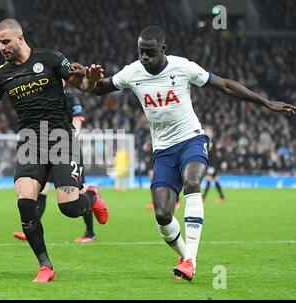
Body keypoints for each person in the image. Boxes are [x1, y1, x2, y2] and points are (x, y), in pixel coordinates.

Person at [85, 25, 295, 281]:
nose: (144, 58)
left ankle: (191, 260)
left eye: (149, 53)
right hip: (163, 150)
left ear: (163, 49)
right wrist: (92, 78)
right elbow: (98, 89)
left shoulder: (182, 67)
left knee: (192, 182)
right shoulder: (132, 72)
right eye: (140, 52)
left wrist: (265, 102)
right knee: (163, 215)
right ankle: (186, 258)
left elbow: (226, 85)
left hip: (190, 140)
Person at [0, 19, 109, 283]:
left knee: (69, 208)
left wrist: (91, 81)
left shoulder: (49, 58)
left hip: (60, 138)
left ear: (19, 37)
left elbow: (83, 86)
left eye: (5, 41)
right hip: (30, 142)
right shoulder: (0, 75)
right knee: (25, 203)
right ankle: (45, 266)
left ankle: (90, 196)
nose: (1, 47)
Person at [12, 88, 97, 243]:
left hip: (66, 149)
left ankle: (90, 232)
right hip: (46, 148)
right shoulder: (42, 92)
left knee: (79, 191)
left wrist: (69, 141)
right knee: (42, 191)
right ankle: (31, 227)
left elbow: (77, 120)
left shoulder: (69, 95)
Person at [202, 127, 226, 202]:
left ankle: (203, 197)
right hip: (210, 164)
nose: (207, 133)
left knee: (208, 179)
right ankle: (222, 197)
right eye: (206, 132)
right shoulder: (206, 141)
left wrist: (222, 162)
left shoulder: (212, 142)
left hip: (212, 165)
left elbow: (218, 152)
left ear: (211, 134)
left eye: (209, 132)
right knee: (215, 180)